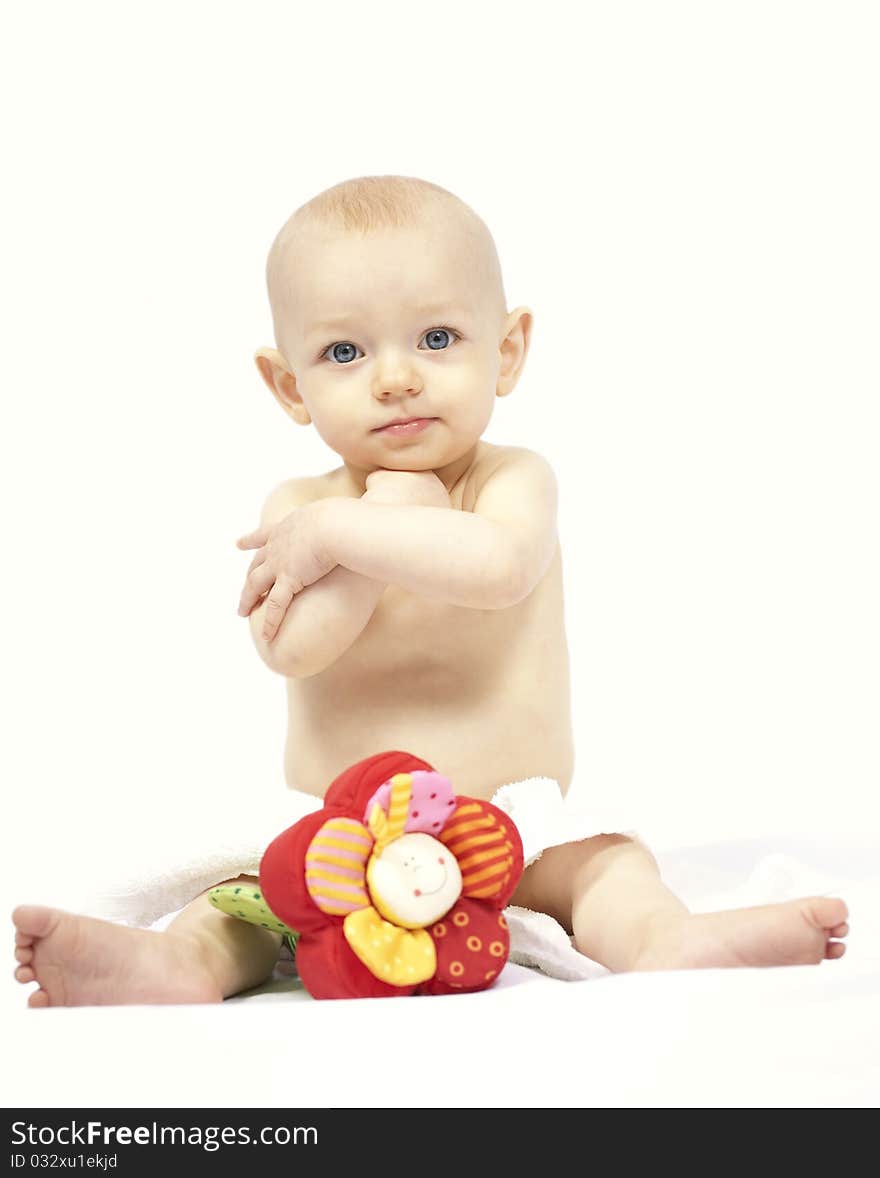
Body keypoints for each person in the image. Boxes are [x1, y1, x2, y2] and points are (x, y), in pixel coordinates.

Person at [12, 175, 848, 1006]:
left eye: (438, 337)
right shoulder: (301, 508)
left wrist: (355, 533)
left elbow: (498, 569)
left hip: (518, 832)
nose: (396, 378)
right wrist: (373, 519)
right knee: (240, 891)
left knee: (610, 865)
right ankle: (182, 965)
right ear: (289, 386)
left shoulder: (507, 481)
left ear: (507, 350)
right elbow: (295, 647)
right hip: (340, 842)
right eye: (345, 352)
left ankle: (665, 940)